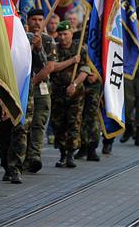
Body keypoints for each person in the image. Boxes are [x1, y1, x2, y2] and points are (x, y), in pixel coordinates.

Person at [50, 21, 91, 168]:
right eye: (60, 34)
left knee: (74, 123)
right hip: (58, 93)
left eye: (65, 34)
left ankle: (70, 155)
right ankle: (62, 154)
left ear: (71, 34)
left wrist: (74, 84)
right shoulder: (54, 48)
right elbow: (53, 67)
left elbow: (85, 70)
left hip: (76, 95)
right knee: (59, 124)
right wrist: (72, 61)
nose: (62, 38)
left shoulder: (79, 49)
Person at [24, 9, 56, 173]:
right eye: (34, 19)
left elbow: (49, 66)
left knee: (38, 123)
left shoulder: (48, 40)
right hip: (22, 87)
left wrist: (38, 48)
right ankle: (21, 156)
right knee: (23, 124)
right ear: (28, 21)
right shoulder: (20, 37)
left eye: (40, 19)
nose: (37, 22)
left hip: (40, 88)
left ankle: (34, 156)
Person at [76, 72, 102, 161]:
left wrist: (98, 74)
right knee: (78, 114)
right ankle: (82, 145)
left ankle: (92, 148)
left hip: (94, 81)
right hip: (78, 78)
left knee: (92, 116)